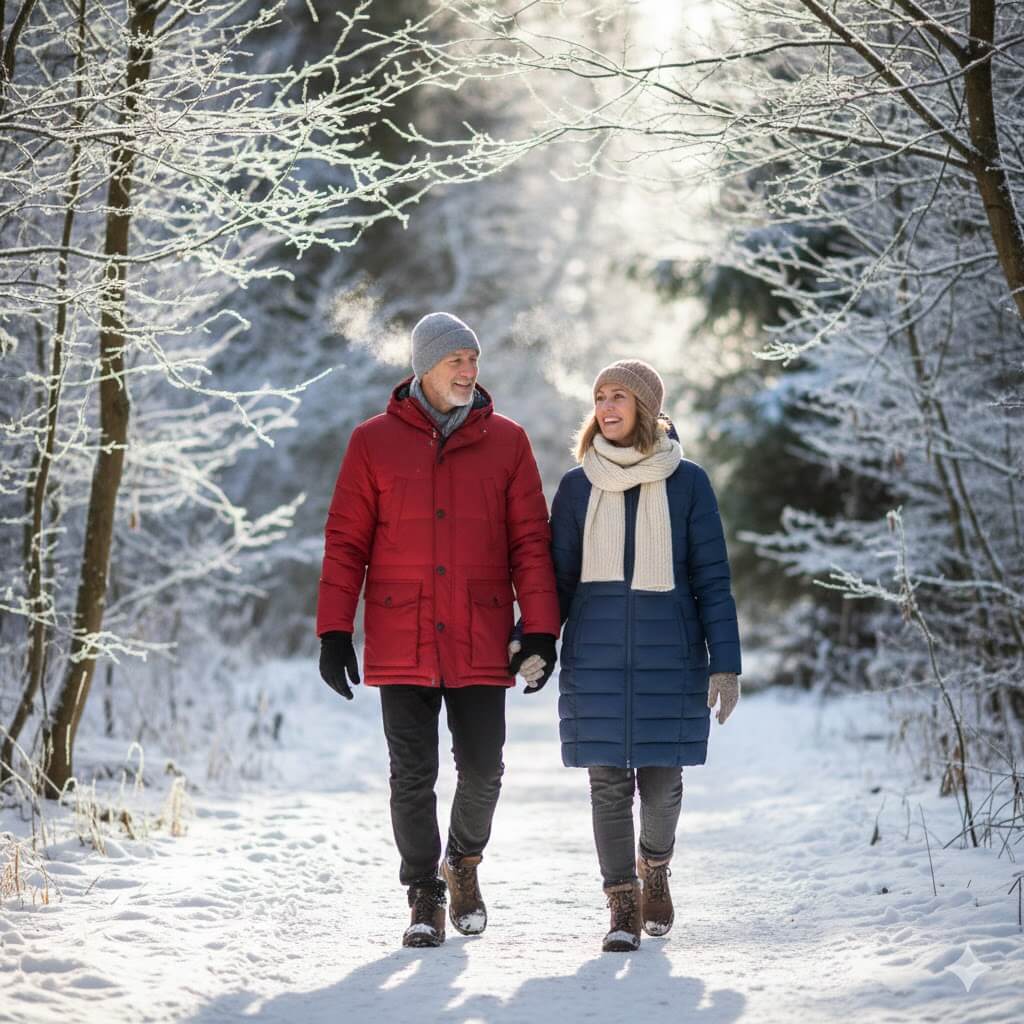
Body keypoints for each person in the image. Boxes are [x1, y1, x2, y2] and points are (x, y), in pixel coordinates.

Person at [315, 312, 560, 949]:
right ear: (425, 366)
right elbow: (346, 542)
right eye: (457, 361)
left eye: (473, 361)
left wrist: (540, 630)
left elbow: (531, 542)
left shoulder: (508, 441)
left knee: (483, 770)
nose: (469, 371)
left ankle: (464, 863)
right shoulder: (372, 442)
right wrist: (334, 631)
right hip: (403, 635)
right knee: (410, 775)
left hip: (479, 631)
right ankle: (423, 891)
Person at [542, 358, 742, 952]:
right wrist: (535, 643)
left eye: (620, 396)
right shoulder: (578, 486)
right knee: (606, 785)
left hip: (671, 657)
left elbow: (713, 578)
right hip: (596, 657)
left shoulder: (689, 483)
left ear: (647, 408)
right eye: (600, 396)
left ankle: (655, 865)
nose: (607, 407)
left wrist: (724, 662)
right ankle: (622, 901)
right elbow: (555, 578)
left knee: (661, 785)